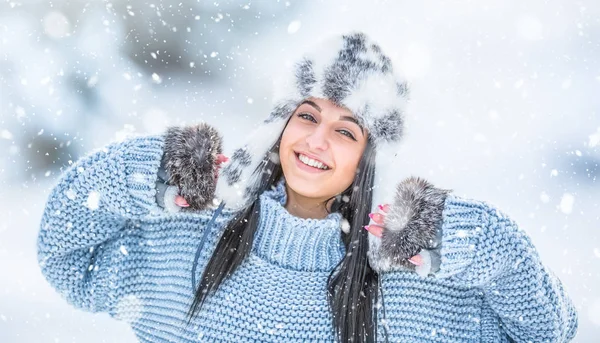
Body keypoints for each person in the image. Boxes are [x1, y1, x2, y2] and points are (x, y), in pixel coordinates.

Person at [37, 32, 578, 342]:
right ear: (279, 124)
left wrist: (477, 238)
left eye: (345, 130)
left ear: (372, 159)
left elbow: (547, 331)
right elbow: (65, 254)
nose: (316, 140)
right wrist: (148, 167)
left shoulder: (410, 298)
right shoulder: (186, 250)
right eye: (306, 116)